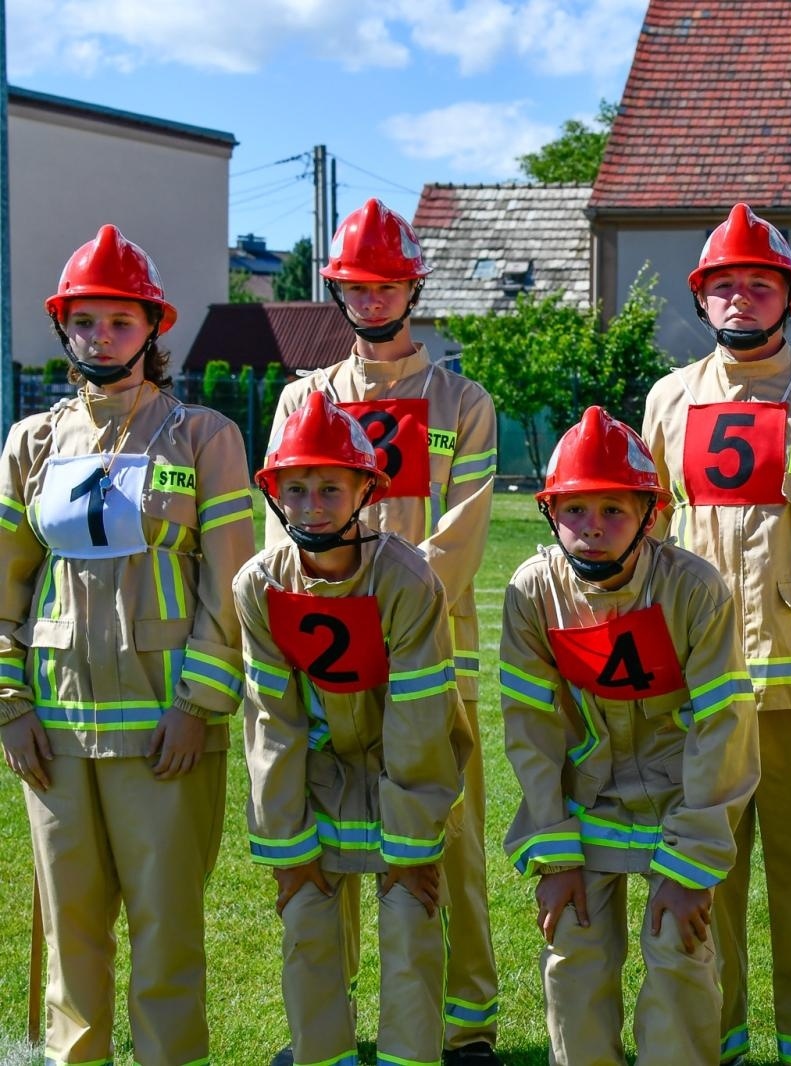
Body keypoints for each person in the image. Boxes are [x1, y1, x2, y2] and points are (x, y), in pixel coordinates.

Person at [0, 225, 254, 1065]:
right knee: (72, 941)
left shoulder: (204, 436)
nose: (101, 337)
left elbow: (232, 586)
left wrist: (200, 707)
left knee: (165, 934)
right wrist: (8, 708)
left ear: (153, 328)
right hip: (56, 733)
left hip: (165, 733)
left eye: (119, 321)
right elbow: (5, 587)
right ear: (63, 329)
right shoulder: (29, 445)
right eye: (86, 322)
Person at [642, 203, 791, 1065]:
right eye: (724, 286)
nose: (740, 299)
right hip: (700, 684)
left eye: (759, 283)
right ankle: (720, 1039)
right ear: (702, 300)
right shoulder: (667, 400)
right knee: (708, 868)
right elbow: (652, 540)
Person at [268, 198, 501, 1064]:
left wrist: (391, 604)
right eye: (355, 287)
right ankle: (332, 1020)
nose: (370, 300)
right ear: (337, 291)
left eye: (386, 285)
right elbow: (280, 531)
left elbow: (466, 532)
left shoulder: (462, 401)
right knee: (331, 839)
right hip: (327, 658)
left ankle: (467, 1021)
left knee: (449, 842)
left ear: (414, 286)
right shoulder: (302, 398)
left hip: (436, 656)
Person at [500, 406, 760, 1065]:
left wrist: (692, 860)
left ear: (650, 514)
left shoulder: (696, 590)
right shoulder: (532, 592)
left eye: (614, 510)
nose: (591, 529)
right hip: (586, 805)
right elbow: (530, 731)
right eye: (575, 510)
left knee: (679, 944)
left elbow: (721, 723)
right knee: (573, 949)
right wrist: (555, 855)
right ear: (549, 512)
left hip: (682, 797)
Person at [238, 391, 471, 1066]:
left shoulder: (405, 578)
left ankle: (409, 1058)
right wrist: (288, 845)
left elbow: (421, 712)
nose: (312, 505)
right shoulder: (258, 584)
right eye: (297, 488)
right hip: (316, 774)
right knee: (306, 917)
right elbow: (270, 719)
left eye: (331, 488)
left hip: (399, 774)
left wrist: (409, 845)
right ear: (274, 494)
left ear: (368, 489)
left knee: (409, 915)